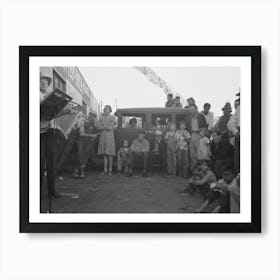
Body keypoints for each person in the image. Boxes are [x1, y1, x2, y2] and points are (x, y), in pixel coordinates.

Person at [40, 72, 59, 200]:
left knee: (51, 163)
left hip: (50, 131)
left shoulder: (49, 95)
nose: (43, 84)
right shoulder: (34, 94)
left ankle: (52, 192)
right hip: (39, 132)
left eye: (46, 83)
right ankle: (36, 194)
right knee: (40, 164)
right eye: (41, 82)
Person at [77, 110, 99, 178]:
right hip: (81, 140)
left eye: (93, 116)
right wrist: (92, 136)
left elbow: (98, 131)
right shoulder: (83, 121)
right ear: (88, 115)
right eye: (90, 115)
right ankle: (77, 170)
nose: (91, 117)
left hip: (88, 141)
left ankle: (82, 171)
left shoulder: (95, 123)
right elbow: (81, 134)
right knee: (80, 152)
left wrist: (95, 135)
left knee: (86, 153)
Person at [97, 105, 116, 176]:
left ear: (110, 110)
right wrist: (104, 127)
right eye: (105, 109)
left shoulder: (112, 117)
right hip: (103, 137)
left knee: (110, 154)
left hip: (109, 137)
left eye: (107, 109)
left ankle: (110, 170)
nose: (106, 110)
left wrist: (104, 126)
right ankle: (105, 169)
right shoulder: (101, 117)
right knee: (104, 154)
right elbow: (99, 127)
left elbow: (110, 128)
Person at [227, 97, 240, 174]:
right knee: (238, 157)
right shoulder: (237, 112)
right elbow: (230, 124)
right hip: (237, 135)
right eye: (235, 105)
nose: (236, 106)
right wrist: (235, 132)